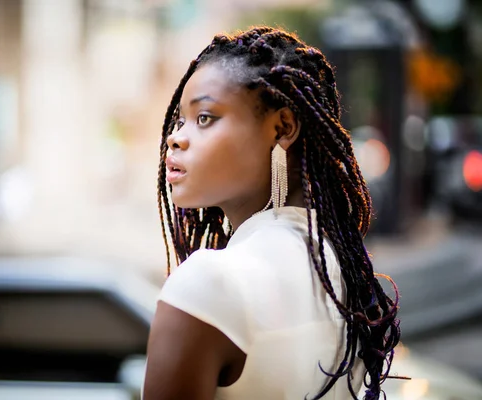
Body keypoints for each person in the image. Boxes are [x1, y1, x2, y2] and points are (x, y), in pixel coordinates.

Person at [144, 27, 400, 400]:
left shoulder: (206, 283)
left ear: (282, 128)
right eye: (180, 121)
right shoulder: (341, 271)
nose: (175, 137)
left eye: (204, 117)